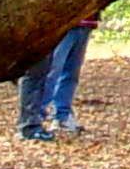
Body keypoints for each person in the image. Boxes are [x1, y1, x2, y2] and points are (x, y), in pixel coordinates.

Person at [17, 10, 100, 142]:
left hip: (86, 23)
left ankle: (62, 115)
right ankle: (35, 120)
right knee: (51, 71)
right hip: (63, 24)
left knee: (71, 73)